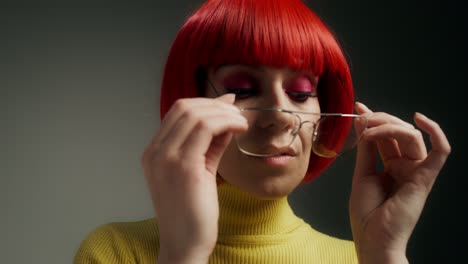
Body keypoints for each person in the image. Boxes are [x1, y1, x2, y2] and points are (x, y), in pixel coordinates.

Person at [74, 0, 451, 263]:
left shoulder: (360, 259)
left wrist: (385, 254)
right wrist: (183, 253)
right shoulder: (117, 252)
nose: (283, 117)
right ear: (190, 104)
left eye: (302, 93)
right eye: (241, 89)